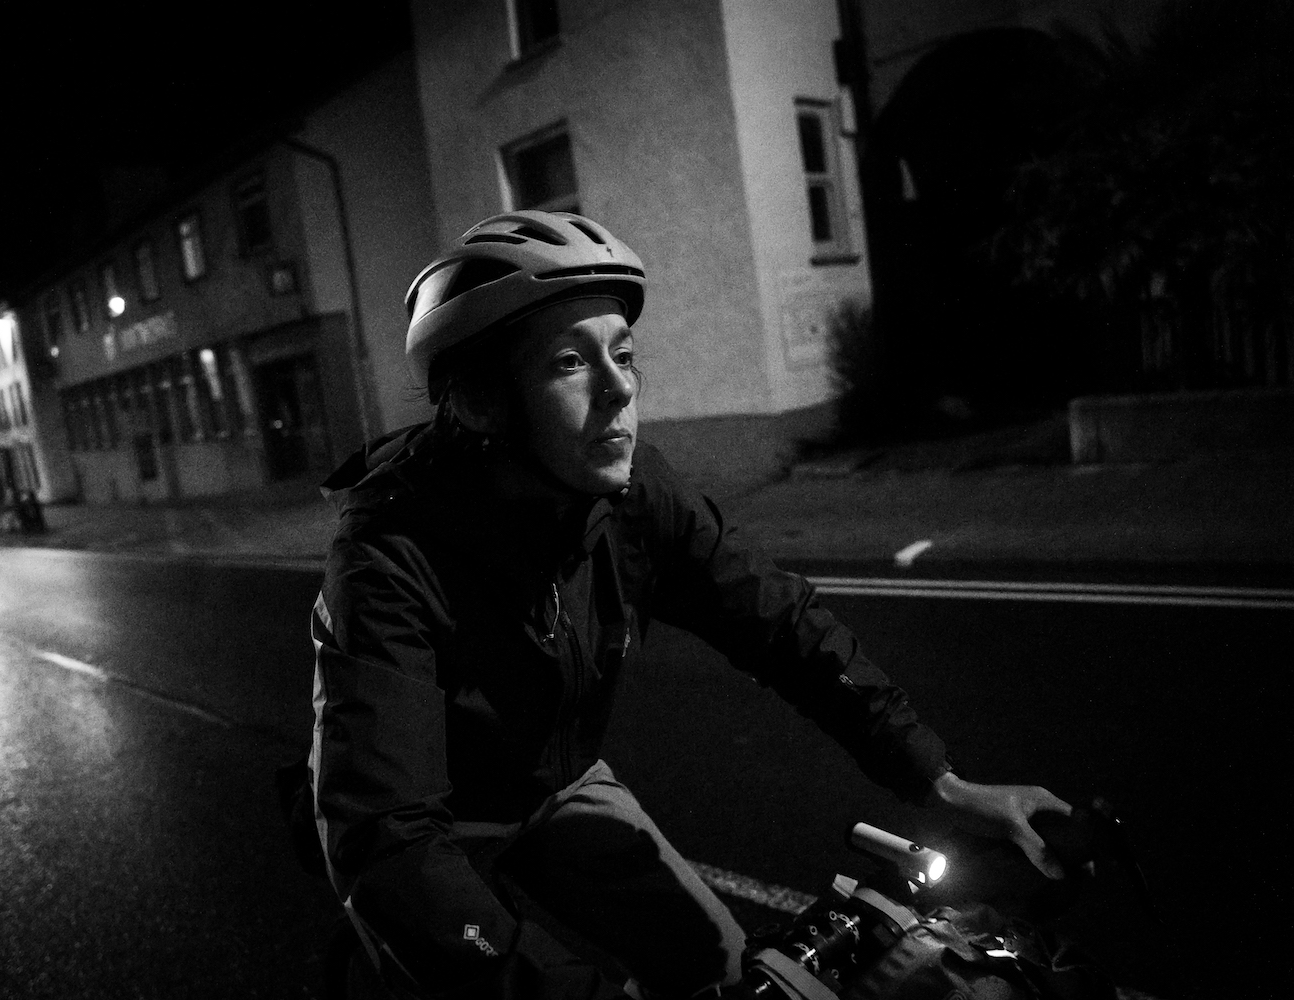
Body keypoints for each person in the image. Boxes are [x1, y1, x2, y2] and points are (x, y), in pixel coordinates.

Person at [305, 211, 1069, 1000]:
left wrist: (939, 782)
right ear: (480, 404)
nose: (620, 388)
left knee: (722, 970)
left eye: (624, 354)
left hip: (556, 784)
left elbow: (782, 625)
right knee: (442, 952)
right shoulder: (387, 559)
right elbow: (387, 840)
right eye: (570, 362)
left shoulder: (633, 494)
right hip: (438, 819)